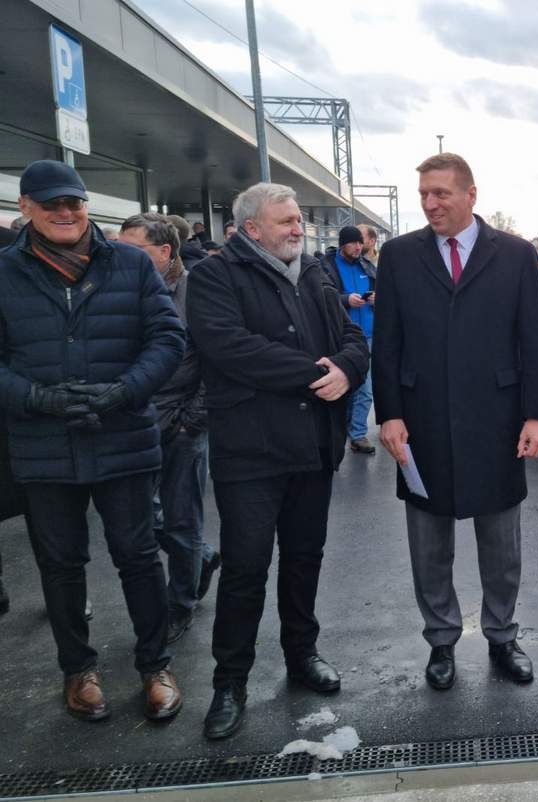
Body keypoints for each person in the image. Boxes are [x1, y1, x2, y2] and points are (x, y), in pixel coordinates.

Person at [0, 160, 186, 722]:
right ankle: (77, 672)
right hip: (43, 446)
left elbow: (167, 337)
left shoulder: (130, 263)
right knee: (59, 566)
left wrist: (124, 391)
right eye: (51, 203)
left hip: (123, 435)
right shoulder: (3, 272)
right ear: (25, 208)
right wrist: (37, 398)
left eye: (73, 202)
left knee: (138, 558)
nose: (65, 212)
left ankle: (156, 666)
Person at [187, 182, 369, 740]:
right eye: (287, 220)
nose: (298, 228)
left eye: (297, 220)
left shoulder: (314, 273)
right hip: (251, 453)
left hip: (312, 448)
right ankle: (229, 682)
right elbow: (228, 348)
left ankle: (302, 654)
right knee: (245, 568)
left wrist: (347, 368)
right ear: (251, 228)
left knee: (304, 559)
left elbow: (352, 338)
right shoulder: (215, 277)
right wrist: (318, 374)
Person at [373, 153, 538, 691]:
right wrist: (391, 414)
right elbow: (387, 342)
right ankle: (442, 641)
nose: (430, 204)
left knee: (501, 545)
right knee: (428, 545)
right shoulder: (400, 254)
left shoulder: (516, 254)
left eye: (441, 194)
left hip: (497, 422)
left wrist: (536, 415)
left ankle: (502, 636)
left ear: (471, 194)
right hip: (421, 420)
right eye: (424, 194)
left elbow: (533, 341)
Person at [118, 214, 219, 644]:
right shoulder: (122, 290)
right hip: (133, 422)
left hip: (182, 424)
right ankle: (201, 557)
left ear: (164, 252)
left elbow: (217, 365)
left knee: (181, 520)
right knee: (136, 518)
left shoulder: (198, 293)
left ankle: (181, 603)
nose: (121, 259)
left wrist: (189, 422)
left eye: (133, 251)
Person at [321, 225, 378, 455]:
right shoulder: (327, 266)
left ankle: (357, 434)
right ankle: (342, 430)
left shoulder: (367, 266)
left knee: (365, 388)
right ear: (343, 244)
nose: (358, 247)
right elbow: (322, 296)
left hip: (369, 335)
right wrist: (345, 300)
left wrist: (376, 299)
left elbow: (381, 290)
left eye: (359, 243)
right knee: (346, 387)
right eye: (353, 243)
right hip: (342, 337)